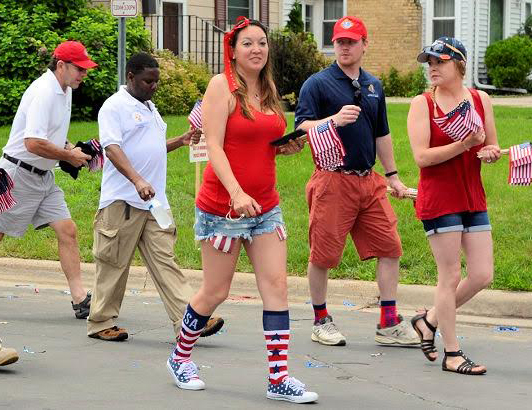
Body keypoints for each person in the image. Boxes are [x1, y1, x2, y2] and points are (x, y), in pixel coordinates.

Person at [165, 18, 317, 404]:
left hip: (265, 206)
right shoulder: (221, 87)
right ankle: (180, 357)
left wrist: (285, 146)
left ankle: (279, 377)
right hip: (223, 208)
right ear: (232, 50)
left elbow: (263, 143)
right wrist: (235, 193)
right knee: (216, 290)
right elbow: (214, 146)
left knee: (277, 286)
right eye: (248, 43)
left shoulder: (268, 91)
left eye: (262, 43)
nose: (256, 49)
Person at [294, 16, 420, 347]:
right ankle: (321, 321)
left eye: (351, 41)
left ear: (365, 44)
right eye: (339, 42)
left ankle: (388, 323)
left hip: (369, 180)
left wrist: (392, 177)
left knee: (390, 247)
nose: (345, 47)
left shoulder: (374, 85)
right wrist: (332, 120)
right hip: (333, 180)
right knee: (323, 255)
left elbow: (382, 134)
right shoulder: (317, 84)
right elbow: (302, 128)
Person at [87, 52, 224, 342]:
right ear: (130, 77)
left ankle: (189, 320)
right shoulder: (114, 107)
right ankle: (101, 323)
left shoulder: (150, 107)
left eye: (156, 82)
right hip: (122, 201)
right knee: (113, 264)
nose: (153, 86)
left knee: (166, 261)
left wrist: (181, 140)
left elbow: (152, 146)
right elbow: (111, 148)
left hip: (154, 201)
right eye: (148, 81)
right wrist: (137, 179)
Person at [407, 37, 499, 375]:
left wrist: (488, 152)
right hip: (440, 197)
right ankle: (452, 353)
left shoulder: (480, 99)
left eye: (439, 61)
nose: (432, 67)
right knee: (450, 276)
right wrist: (464, 144)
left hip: (472, 194)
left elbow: (489, 145)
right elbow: (422, 158)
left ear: (458, 64)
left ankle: (428, 320)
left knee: (482, 275)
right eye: (428, 61)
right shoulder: (423, 104)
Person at [0, 41, 96, 322]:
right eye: (80, 69)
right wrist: (68, 154)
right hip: (18, 174)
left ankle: (80, 299)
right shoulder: (44, 91)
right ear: (62, 65)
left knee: (67, 229)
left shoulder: (64, 90)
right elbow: (32, 143)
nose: (83, 75)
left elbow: (49, 137)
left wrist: (72, 149)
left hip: (44, 177)